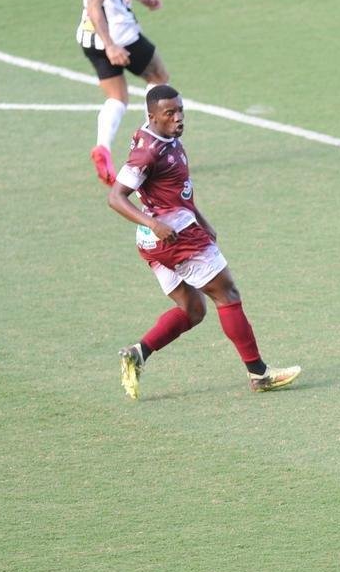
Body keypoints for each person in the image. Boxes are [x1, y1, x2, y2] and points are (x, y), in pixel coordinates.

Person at [107, 85, 300, 399]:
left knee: (193, 309)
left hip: (158, 241)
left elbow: (174, 188)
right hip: (174, 237)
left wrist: (201, 218)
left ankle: (137, 353)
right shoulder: (149, 151)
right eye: (170, 113)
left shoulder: (164, 137)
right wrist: (154, 223)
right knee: (227, 293)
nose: (179, 118)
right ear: (152, 116)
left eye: (181, 110)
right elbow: (115, 198)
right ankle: (259, 373)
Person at [78, 0, 171, 186]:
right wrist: (111, 45)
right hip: (118, 36)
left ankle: (103, 149)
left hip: (87, 38)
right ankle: (154, 150)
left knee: (117, 98)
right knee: (159, 77)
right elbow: (95, 5)